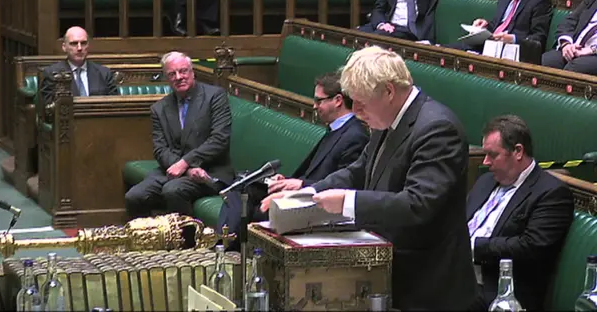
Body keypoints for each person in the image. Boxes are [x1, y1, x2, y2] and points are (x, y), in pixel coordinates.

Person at [261, 46, 476, 310]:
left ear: (388, 91)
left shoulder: (437, 129)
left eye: (361, 102)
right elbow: (359, 169)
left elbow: (418, 204)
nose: (356, 111)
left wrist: (347, 202)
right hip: (389, 274)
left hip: (429, 284)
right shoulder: (386, 119)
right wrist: (305, 192)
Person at [216, 72, 369, 248]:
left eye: (319, 101)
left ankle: (224, 247)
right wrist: (288, 181)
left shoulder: (355, 136)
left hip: (315, 203)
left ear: (337, 100)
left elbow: (343, 185)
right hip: (304, 190)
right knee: (243, 184)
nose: (314, 105)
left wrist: (301, 184)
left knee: (255, 206)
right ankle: (225, 244)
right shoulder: (336, 129)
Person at [125, 52, 235, 242]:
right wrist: (185, 169)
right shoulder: (159, 108)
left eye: (183, 71)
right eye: (172, 74)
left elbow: (219, 139)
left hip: (210, 171)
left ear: (192, 72)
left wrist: (186, 163)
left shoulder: (214, 97)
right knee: (135, 196)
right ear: (167, 78)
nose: (179, 77)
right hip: (173, 170)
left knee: (173, 190)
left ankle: (186, 245)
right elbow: (160, 149)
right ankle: (146, 242)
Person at [467, 115, 574, 311]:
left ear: (517, 151)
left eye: (492, 155)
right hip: (458, 274)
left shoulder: (551, 193)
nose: (485, 162)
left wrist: (473, 246)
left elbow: (530, 246)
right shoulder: (486, 181)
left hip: (497, 290)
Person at [41, 26, 118, 105]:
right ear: (64, 47)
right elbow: (47, 107)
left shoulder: (104, 73)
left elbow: (114, 105)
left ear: (88, 46)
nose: (79, 48)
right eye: (74, 43)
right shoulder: (52, 74)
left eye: (83, 43)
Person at [542, 0, 597, 75]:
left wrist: (592, 50)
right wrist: (566, 44)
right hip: (576, 47)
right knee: (549, 60)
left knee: (576, 67)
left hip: (593, 54)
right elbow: (570, 20)